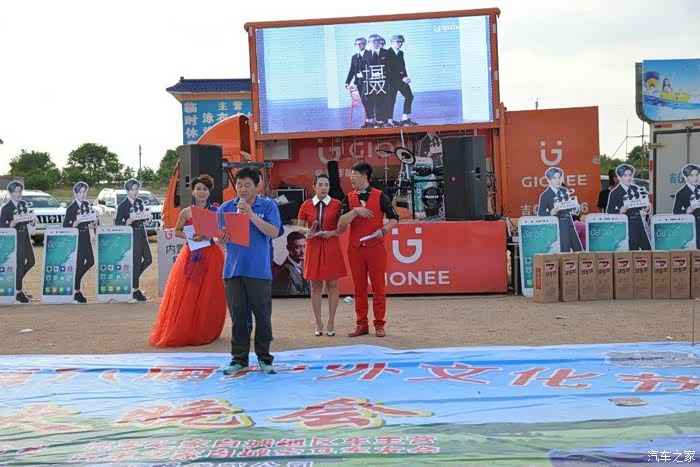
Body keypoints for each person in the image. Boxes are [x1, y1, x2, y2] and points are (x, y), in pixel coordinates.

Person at [149, 175, 226, 347]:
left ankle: (206, 329)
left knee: (209, 292)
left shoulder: (216, 211)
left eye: (205, 189)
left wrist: (212, 236)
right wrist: (190, 236)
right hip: (191, 253)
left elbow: (221, 232)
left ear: (209, 192)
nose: (201, 192)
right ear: (192, 192)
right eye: (198, 189)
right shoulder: (186, 212)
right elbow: (177, 230)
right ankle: (186, 328)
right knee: (189, 291)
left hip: (212, 254)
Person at [218, 167, 281, 375]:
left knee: (262, 316)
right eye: (239, 185)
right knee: (238, 317)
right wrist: (220, 239)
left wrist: (251, 215)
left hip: (258, 271)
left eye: (247, 185)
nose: (243, 189)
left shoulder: (268, 206)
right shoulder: (226, 207)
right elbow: (218, 236)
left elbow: (274, 232)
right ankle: (239, 359)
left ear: (257, 186)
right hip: (233, 270)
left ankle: (264, 358)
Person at [337, 161, 399, 338]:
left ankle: (379, 323)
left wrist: (383, 230)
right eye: (350, 175)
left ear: (364, 176)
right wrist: (355, 211)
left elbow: (394, 217)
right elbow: (341, 223)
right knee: (359, 288)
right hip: (355, 249)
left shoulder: (380, 196)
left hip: (375, 248)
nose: (351, 178)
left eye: (354, 175)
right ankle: (361, 324)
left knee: (378, 287)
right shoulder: (349, 198)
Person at [297, 173, 347, 337]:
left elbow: (343, 227)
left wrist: (331, 233)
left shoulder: (337, 204)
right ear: (314, 187)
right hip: (314, 247)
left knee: (333, 286)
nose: (323, 188)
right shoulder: (306, 205)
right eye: (320, 185)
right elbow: (300, 226)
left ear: (329, 187)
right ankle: (318, 322)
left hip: (331, 246)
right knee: (315, 287)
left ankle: (331, 322)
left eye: (326, 185)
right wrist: (307, 232)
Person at [115, 179, 153, 302]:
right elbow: (117, 222)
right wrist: (126, 222)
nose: (135, 192)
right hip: (132, 236)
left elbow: (144, 217)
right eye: (132, 189)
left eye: (136, 189)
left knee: (148, 259)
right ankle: (135, 290)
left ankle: (131, 281)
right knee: (136, 262)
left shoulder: (140, 202)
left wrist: (149, 219)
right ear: (127, 191)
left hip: (142, 233)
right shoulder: (123, 205)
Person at [0, 181, 35, 303]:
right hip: (15, 239)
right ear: (10, 193)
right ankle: (18, 292)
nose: (19, 194)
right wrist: (10, 224)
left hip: (25, 236)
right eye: (16, 191)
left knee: (31, 261)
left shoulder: (24, 204)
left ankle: (15, 284)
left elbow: (28, 219)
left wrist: (32, 221)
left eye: (20, 191)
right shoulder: (6, 208)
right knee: (20, 264)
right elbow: (1, 226)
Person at [62, 182, 97, 304]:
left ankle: (73, 282)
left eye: (84, 192)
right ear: (75, 193)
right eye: (80, 192)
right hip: (77, 239)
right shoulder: (71, 208)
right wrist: (74, 224)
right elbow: (65, 225)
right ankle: (76, 291)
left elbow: (91, 221)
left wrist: (93, 222)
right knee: (79, 263)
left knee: (91, 261)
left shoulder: (87, 205)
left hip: (86, 236)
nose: (83, 194)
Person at [606, 164, 652, 250]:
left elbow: (643, 207)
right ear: (619, 177)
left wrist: (646, 208)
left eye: (630, 175)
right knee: (632, 253)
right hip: (625, 227)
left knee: (647, 251)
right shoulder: (614, 193)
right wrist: (619, 211)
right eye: (625, 175)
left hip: (639, 224)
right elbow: (609, 212)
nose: (629, 178)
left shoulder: (637, 189)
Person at [537, 168, 582, 252]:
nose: (557, 180)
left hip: (570, 222)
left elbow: (569, 207)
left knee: (578, 249)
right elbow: (540, 213)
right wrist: (550, 213)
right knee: (565, 250)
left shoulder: (564, 191)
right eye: (554, 178)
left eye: (559, 177)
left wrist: (575, 209)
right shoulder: (545, 195)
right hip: (559, 225)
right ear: (549, 180)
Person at [386, 34, 417, 127]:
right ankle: (389, 121)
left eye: (401, 42)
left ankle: (404, 118)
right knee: (391, 100)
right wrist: (402, 78)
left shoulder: (401, 53)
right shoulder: (387, 53)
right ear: (392, 42)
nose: (400, 44)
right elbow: (389, 69)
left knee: (409, 96)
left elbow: (403, 67)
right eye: (398, 42)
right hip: (391, 82)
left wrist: (406, 77)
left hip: (401, 81)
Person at [364, 34, 391, 128]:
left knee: (381, 101)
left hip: (383, 82)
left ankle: (380, 121)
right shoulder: (366, 53)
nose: (373, 43)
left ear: (380, 42)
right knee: (371, 100)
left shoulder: (386, 53)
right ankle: (373, 121)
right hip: (370, 82)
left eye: (376, 41)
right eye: (371, 41)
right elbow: (362, 68)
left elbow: (390, 68)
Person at [345, 37, 372, 129]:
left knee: (366, 99)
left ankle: (369, 120)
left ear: (365, 44)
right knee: (364, 101)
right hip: (358, 82)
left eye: (361, 43)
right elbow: (352, 70)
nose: (359, 45)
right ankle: (369, 120)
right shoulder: (354, 57)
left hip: (368, 82)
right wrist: (347, 82)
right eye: (357, 44)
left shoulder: (370, 54)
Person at [272, 231, 310, 296]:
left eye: (305, 246)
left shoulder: (307, 266)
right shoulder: (284, 272)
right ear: (288, 248)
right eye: (297, 247)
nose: (303, 251)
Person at [672, 163, 700, 248]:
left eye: (697, 175)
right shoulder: (681, 193)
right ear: (686, 177)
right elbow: (675, 211)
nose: (695, 178)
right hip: (693, 224)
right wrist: (686, 211)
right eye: (692, 175)